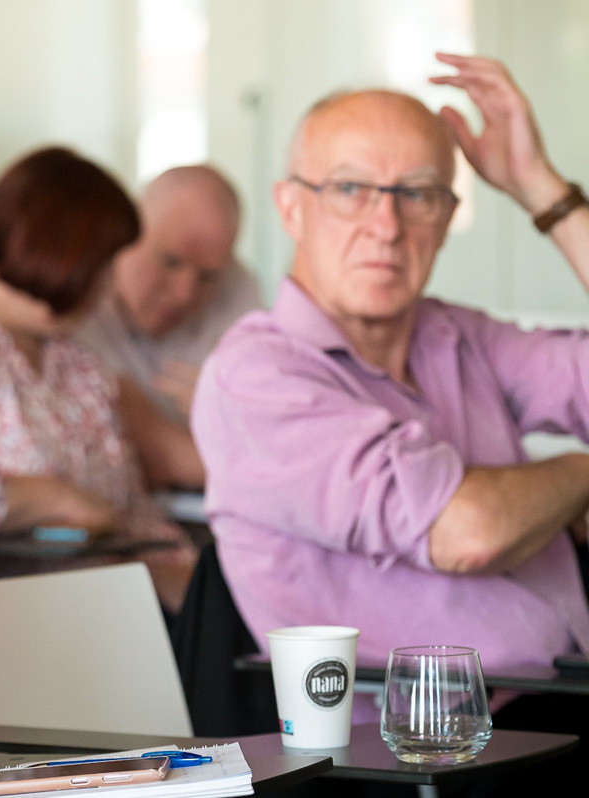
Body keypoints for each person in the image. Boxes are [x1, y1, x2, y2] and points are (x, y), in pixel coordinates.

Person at [192, 53, 589, 792]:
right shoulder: (256, 376)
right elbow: (466, 534)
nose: (387, 225)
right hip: (396, 764)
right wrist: (579, 474)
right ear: (291, 207)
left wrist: (543, 191)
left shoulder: (461, 337)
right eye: (350, 189)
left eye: (418, 194)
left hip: (549, 716)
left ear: (447, 216)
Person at [0, 147, 197, 612]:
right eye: (102, 267)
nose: (107, 288)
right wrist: (49, 499)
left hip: (109, 604)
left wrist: (191, 584)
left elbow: (124, 506)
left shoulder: (69, 349)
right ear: (60, 252)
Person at [75, 165, 262, 489]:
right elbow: (161, 459)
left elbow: (267, 428)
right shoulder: (73, 291)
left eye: (207, 277)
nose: (184, 293)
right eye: (171, 261)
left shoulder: (237, 288)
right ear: (125, 233)